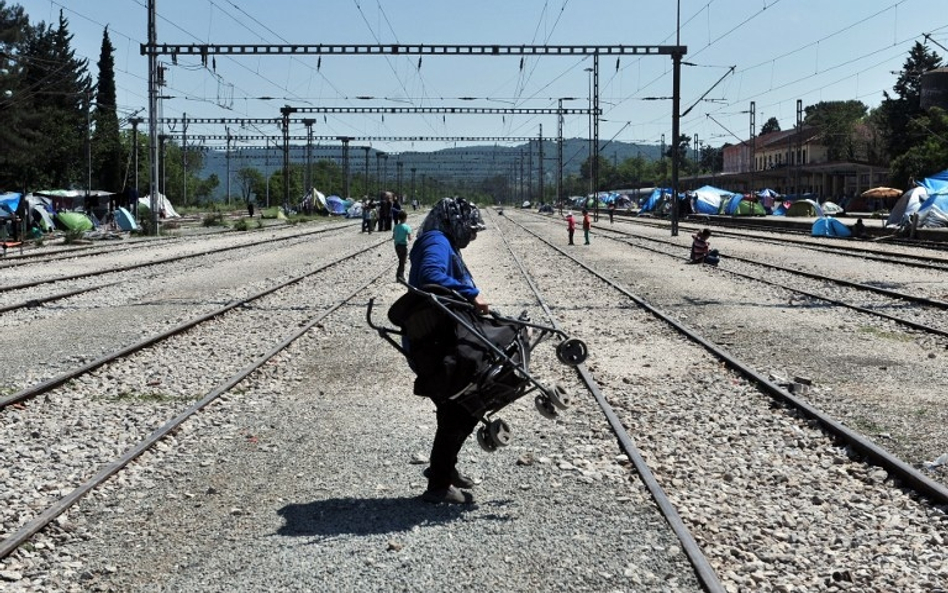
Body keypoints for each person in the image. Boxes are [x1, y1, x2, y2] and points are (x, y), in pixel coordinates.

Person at [407, 196, 487, 505]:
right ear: (456, 221)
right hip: (435, 339)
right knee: (459, 405)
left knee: (457, 404)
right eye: (472, 228)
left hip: (437, 334)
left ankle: (445, 469)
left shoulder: (439, 238)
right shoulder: (437, 241)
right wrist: (472, 294)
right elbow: (430, 277)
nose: (474, 235)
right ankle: (439, 485)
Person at [392, 209, 412, 281]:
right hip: (403, 246)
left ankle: (399, 276)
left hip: (397, 246)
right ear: (406, 218)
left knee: (401, 260)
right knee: (402, 261)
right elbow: (410, 238)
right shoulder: (407, 227)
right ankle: (400, 276)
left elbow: (393, 237)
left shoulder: (396, 227)